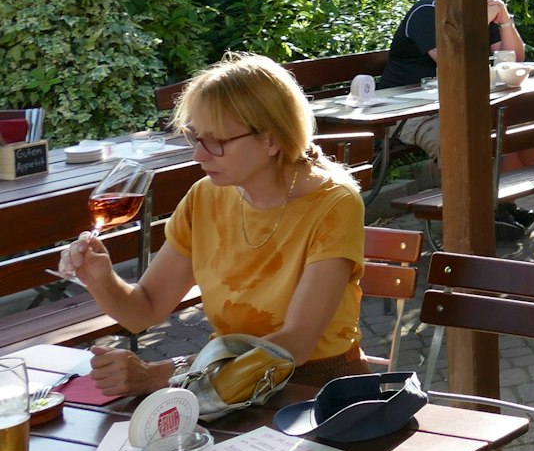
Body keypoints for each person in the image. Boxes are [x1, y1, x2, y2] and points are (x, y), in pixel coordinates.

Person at [63, 53, 366, 396]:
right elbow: (142, 311)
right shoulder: (205, 197)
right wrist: (101, 279)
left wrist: (164, 375)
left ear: (270, 139)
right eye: (195, 137)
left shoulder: (333, 202)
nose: (198, 154)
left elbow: (294, 345)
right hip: (222, 382)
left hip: (314, 387)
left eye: (216, 141)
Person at [380, 0, 534, 241]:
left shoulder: (474, 13)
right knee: (455, 141)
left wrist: (504, 18)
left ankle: (499, 207)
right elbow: (454, 60)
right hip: (409, 111)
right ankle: (467, 221)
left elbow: (513, 58)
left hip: (456, 103)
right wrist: (479, 21)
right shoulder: (426, 15)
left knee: (506, 129)